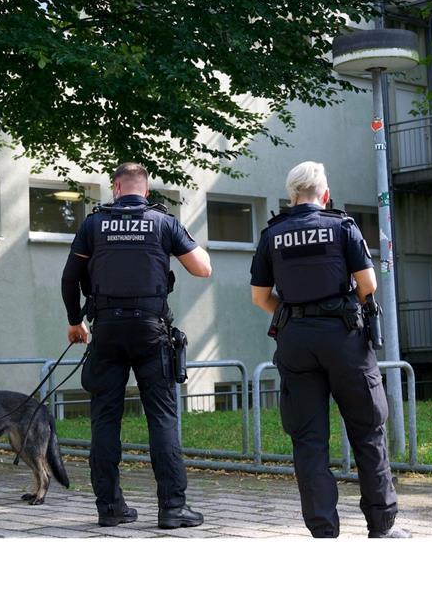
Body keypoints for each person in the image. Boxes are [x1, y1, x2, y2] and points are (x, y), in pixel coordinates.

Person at [249, 161, 409, 538]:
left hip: (296, 341)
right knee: (367, 428)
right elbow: (367, 284)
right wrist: (339, 308)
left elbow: (259, 297)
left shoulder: (273, 233)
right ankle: (381, 526)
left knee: (308, 438)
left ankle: (323, 531)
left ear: (291, 196)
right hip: (344, 337)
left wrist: (293, 314)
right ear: (325, 194)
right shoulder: (342, 226)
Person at [61, 162, 212, 529]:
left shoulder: (94, 225)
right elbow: (202, 268)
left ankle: (110, 508)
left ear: (115, 187)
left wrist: (73, 321)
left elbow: (69, 277)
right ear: (145, 190)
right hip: (150, 330)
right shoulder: (163, 222)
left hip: (107, 330)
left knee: (105, 419)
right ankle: (172, 509)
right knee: (161, 418)